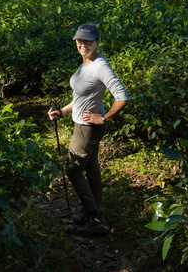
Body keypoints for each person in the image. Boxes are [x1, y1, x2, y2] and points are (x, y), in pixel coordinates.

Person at [48, 23, 129, 237]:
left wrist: (103, 117)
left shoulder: (100, 65)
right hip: (82, 125)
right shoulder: (86, 62)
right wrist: (63, 111)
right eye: (79, 40)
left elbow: (122, 97)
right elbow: (81, 96)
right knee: (91, 168)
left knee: (73, 170)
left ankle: (96, 220)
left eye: (87, 41)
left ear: (97, 42)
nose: (82, 44)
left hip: (88, 128)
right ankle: (91, 211)